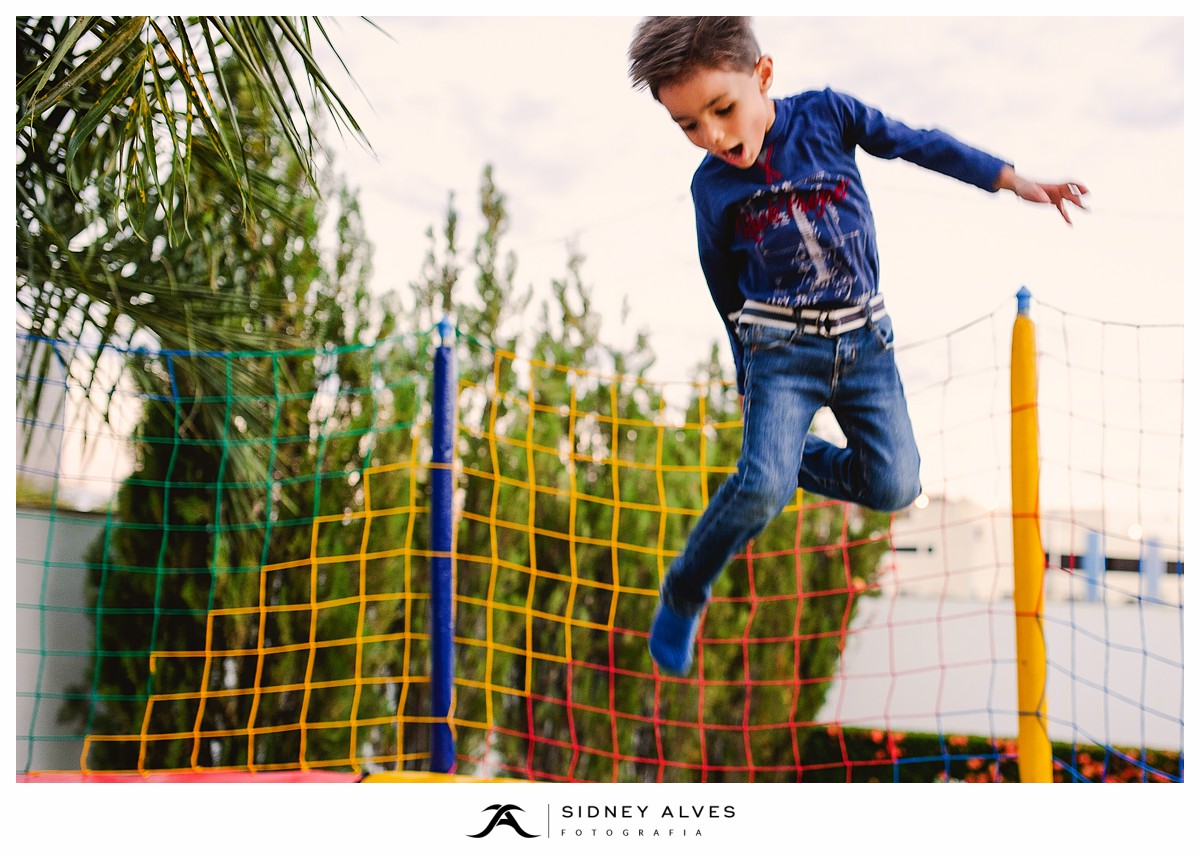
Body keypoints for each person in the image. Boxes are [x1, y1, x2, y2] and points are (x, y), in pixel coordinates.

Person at [626, 16, 1088, 676]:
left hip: (865, 344)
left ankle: (780, 457)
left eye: (722, 109)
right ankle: (686, 588)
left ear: (763, 76)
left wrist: (1011, 181)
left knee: (897, 484)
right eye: (690, 126)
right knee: (760, 491)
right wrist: (745, 373)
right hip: (778, 352)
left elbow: (915, 143)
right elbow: (722, 285)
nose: (715, 136)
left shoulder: (827, 116)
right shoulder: (713, 188)